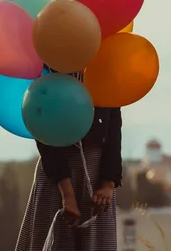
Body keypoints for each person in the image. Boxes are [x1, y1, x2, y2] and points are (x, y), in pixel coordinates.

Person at [15, 68, 123, 251]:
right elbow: (45, 139)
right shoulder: (46, 77)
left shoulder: (104, 69)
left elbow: (114, 133)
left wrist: (108, 183)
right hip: (57, 179)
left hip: (97, 176)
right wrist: (67, 195)